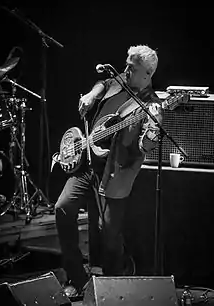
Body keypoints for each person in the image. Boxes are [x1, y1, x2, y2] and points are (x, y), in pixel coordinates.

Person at [55, 44, 163, 299]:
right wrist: (92, 95)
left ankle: (114, 289)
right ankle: (76, 277)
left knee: (109, 234)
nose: (126, 70)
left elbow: (144, 145)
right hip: (87, 166)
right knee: (62, 207)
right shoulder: (120, 80)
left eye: (131, 68)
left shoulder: (151, 106)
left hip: (115, 175)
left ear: (147, 74)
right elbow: (104, 82)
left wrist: (151, 138)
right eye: (126, 64)